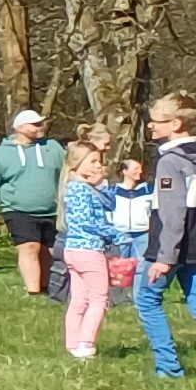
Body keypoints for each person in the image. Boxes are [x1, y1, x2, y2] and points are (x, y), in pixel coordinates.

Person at [139, 93, 196, 379]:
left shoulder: (170, 161)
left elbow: (173, 214)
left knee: (147, 300)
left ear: (176, 124)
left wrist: (164, 258)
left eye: (157, 121)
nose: (150, 126)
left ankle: (169, 368)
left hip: (173, 248)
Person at [56, 139, 125, 362]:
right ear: (77, 162)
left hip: (73, 250)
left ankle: (72, 343)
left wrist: (102, 184)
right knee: (98, 299)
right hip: (88, 250)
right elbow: (88, 222)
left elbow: (110, 204)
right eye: (93, 161)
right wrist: (116, 234)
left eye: (100, 161)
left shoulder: (80, 188)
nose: (98, 166)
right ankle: (86, 344)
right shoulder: (79, 190)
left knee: (79, 298)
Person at [0, 107, 64, 294]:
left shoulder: (53, 148)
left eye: (40, 123)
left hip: (52, 210)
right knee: (30, 247)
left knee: (49, 251)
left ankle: (46, 287)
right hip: (18, 209)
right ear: (19, 128)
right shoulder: (1, 154)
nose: (40, 127)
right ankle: (33, 290)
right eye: (35, 124)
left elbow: (68, 171)